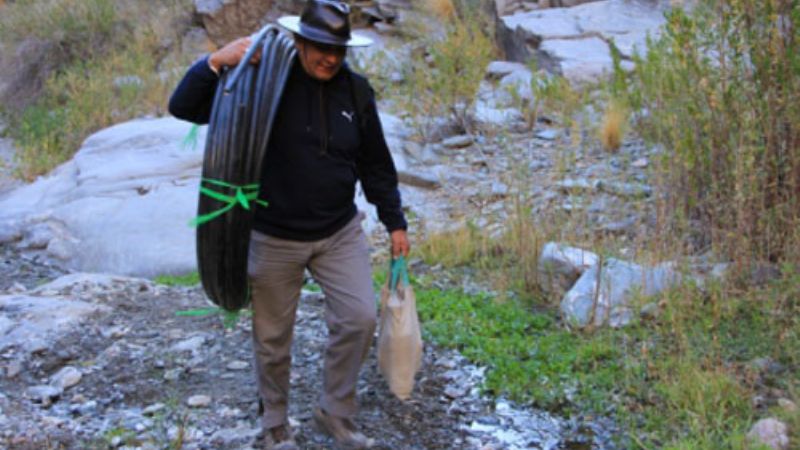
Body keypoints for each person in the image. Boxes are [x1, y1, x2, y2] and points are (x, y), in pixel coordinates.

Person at [168, 1, 410, 449]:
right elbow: (184, 107)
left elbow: (376, 162)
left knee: (359, 319)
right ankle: (275, 421)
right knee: (273, 337)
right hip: (273, 235)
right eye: (320, 48)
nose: (330, 58)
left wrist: (395, 222)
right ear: (299, 42)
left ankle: (335, 410)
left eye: (338, 49)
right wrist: (215, 62)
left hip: (338, 231)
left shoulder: (356, 91)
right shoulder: (263, 85)